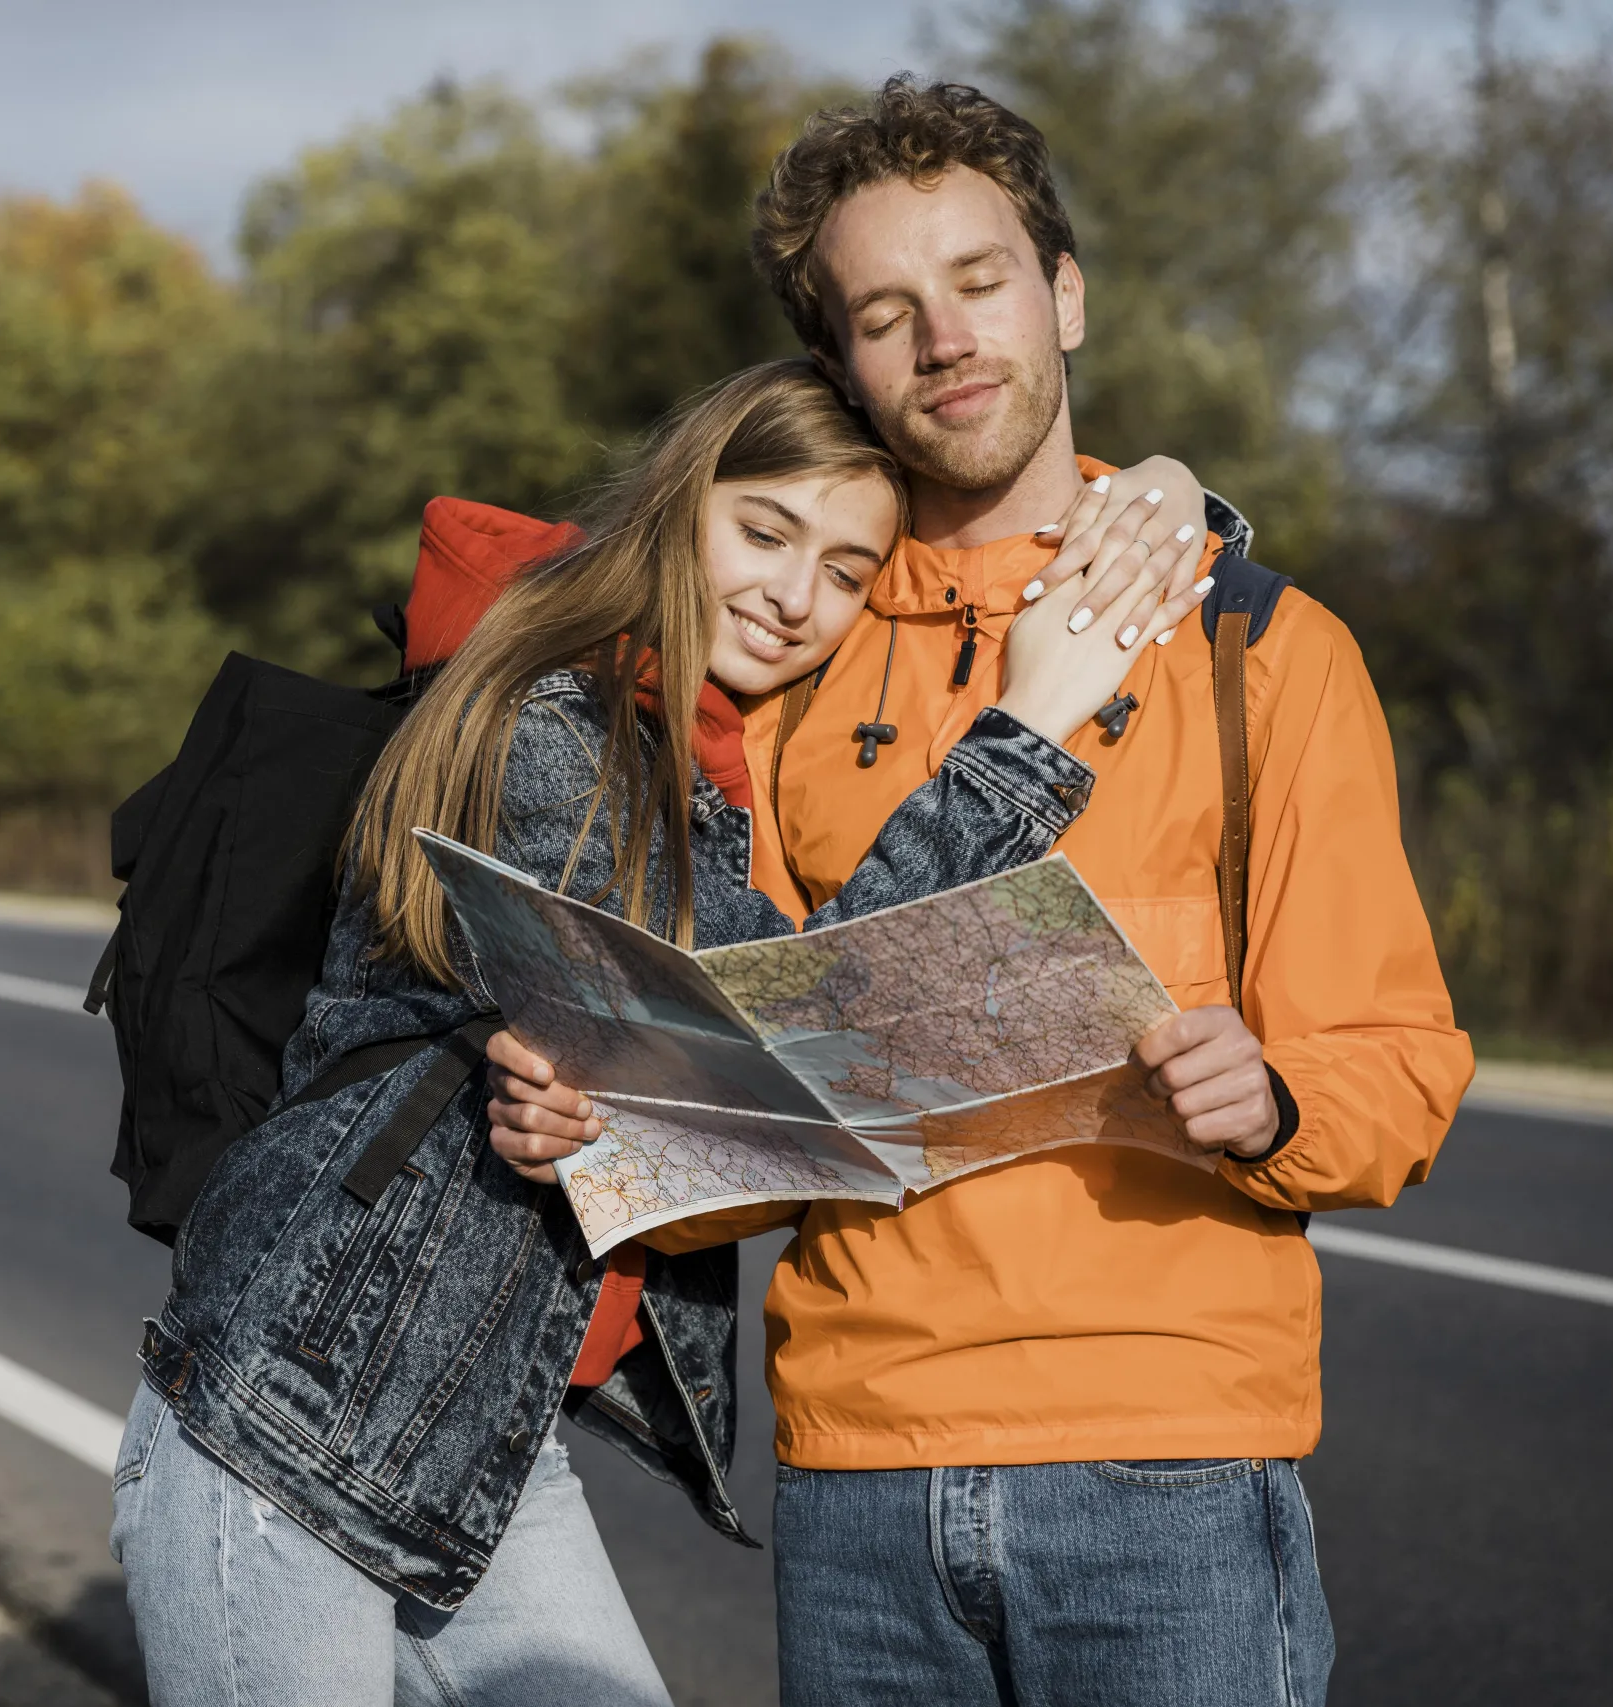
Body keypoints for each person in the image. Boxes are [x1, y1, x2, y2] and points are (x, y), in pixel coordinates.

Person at [486, 78, 1473, 1707]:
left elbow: (1400, 1063)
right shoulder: (793, 665)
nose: (942, 338)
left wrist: (1275, 1090)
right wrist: (614, 1116)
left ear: (1064, 294)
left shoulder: (1267, 653)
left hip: (1171, 1472)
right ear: (845, 365)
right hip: (858, 1484)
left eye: (979, 280)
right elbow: (772, 1114)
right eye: (885, 312)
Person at [110, 357, 1219, 1706]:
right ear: (676, 508)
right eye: (764, 530)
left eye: (849, 570)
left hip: (478, 1442)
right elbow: (799, 1034)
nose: (795, 594)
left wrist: (1165, 494)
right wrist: (1028, 731)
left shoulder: (703, 757)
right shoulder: (551, 722)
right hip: (279, 1428)